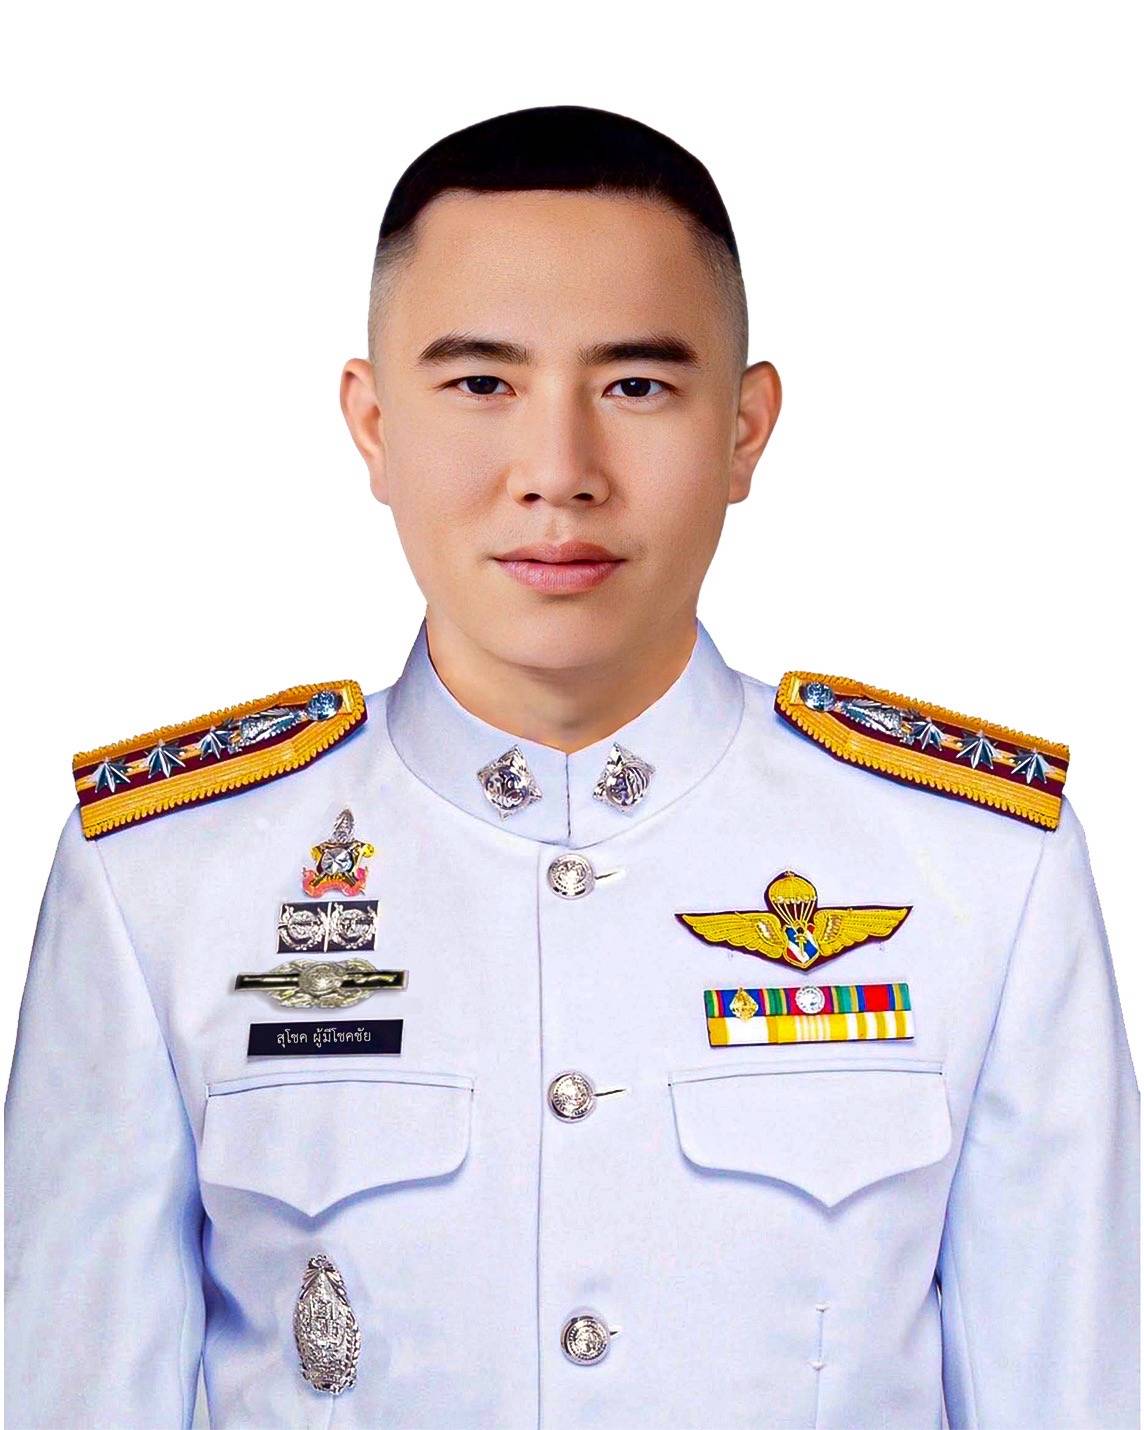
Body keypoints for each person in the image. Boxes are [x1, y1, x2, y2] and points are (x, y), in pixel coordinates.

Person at [4, 104, 1138, 1430]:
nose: (559, 473)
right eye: (482, 385)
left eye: (636, 386)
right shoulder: (166, 881)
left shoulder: (977, 873)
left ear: (745, 429)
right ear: (372, 424)